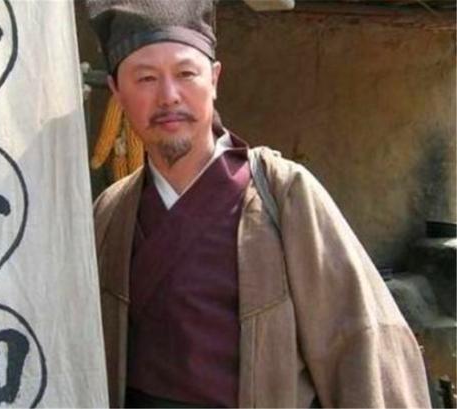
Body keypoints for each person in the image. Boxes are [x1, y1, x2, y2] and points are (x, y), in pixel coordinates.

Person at [87, 0, 431, 407]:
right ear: (117, 92)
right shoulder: (111, 212)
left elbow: (363, 342)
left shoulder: (284, 195)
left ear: (214, 79)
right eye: (145, 78)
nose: (169, 96)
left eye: (185, 74)